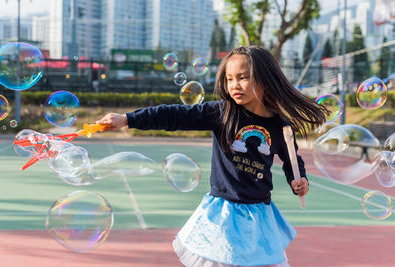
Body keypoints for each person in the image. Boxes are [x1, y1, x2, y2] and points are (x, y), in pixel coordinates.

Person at [96, 46, 328, 267]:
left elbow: (292, 160)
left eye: (243, 77)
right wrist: (127, 119)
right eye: (229, 78)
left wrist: (298, 180)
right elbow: (173, 115)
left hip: (259, 215)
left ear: (265, 80)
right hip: (222, 214)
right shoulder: (222, 113)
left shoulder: (280, 127)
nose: (234, 85)